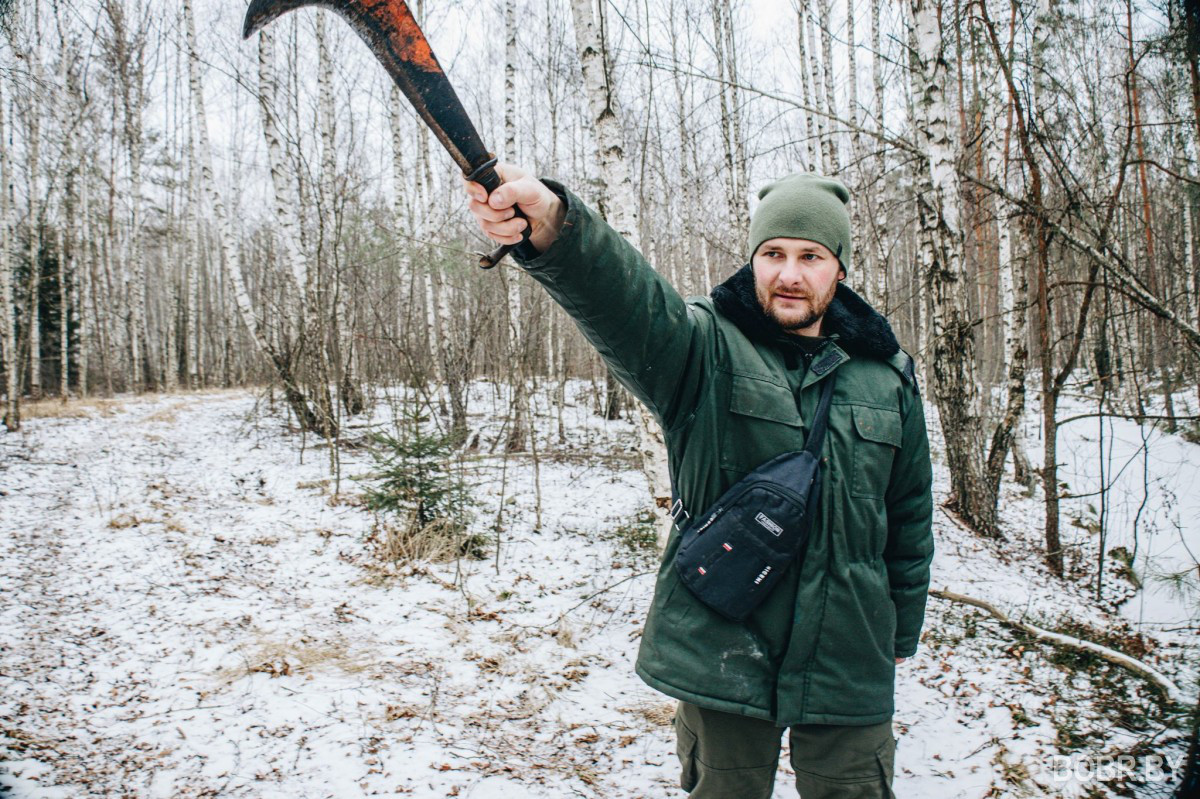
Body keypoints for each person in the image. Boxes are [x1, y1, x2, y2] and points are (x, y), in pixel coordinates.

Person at [464, 165, 934, 798]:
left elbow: (908, 516)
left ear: (839, 269)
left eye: (810, 256)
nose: (789, 273)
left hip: (850, 646)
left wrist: (901, 629)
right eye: (773, 253)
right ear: (753, 261)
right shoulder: (705, 348)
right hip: (723, 640)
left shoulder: (888, 377)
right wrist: (551, 224)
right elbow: (623, 301)